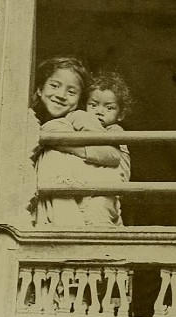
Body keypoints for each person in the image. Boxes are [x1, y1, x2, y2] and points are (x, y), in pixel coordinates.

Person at [31, 57, 124, 226]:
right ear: (39, 88)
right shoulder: (30, 117)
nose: (61, 95)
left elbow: (111, 153)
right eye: (54, 85)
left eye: (71, 92)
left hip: (75, 197)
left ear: (80, 99)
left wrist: (60, 143)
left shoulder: (80, 117)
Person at [77, 71, 133, 226]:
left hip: (106, 194)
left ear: (120, 114)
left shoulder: (115, 131)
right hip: (90, 190)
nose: (99, 111)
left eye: (109, 108)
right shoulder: (83, 127)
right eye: (93, 105)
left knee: (99, 218)